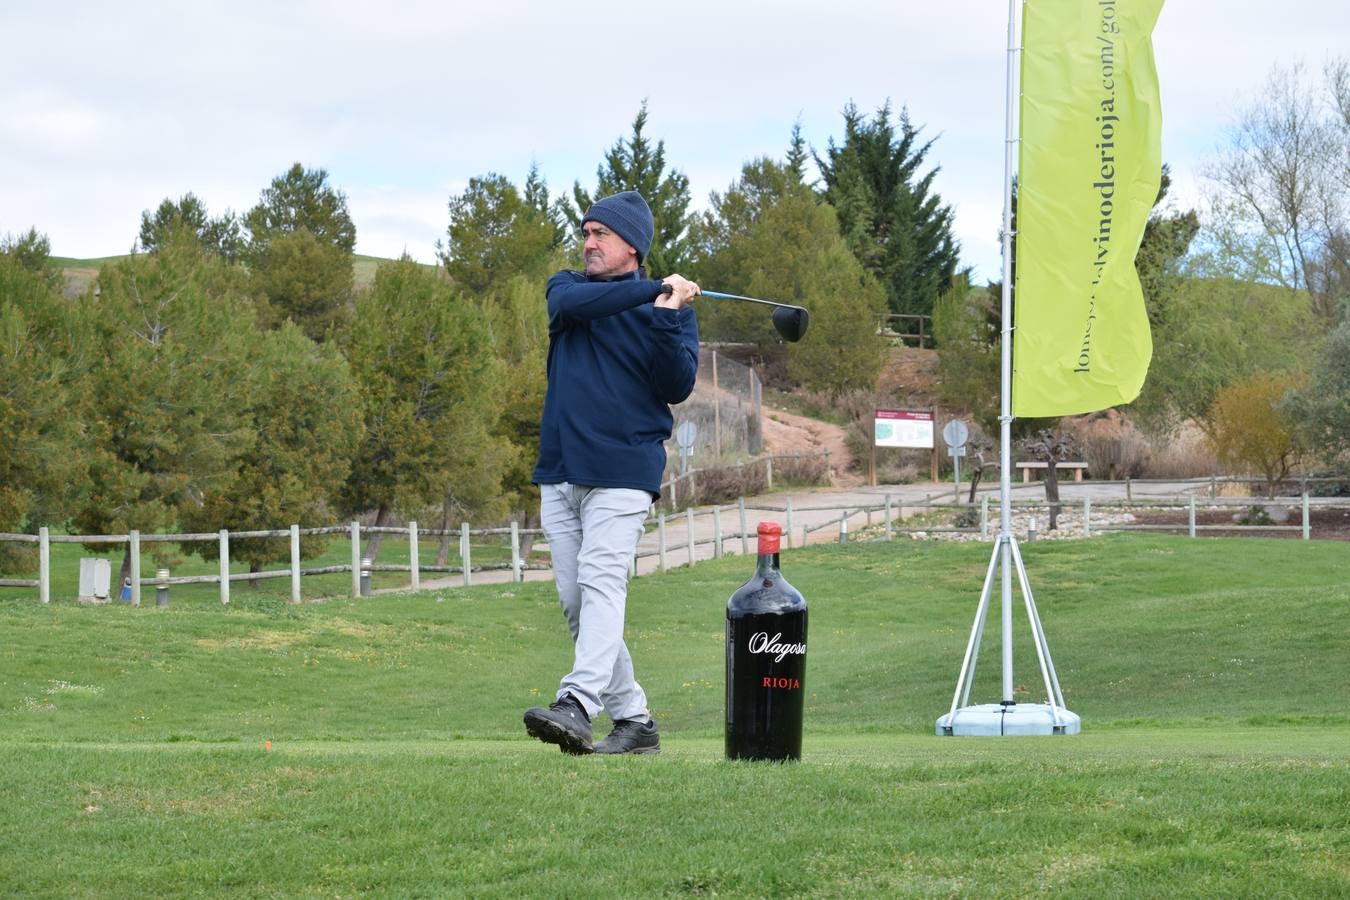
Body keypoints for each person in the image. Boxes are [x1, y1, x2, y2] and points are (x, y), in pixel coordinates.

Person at [524, 190, 700, 755]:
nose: (588, 242)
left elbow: (675, 385)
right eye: (586, 232)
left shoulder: (669, 313)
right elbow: (578, 308)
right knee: (579, 600)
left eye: (601, 233)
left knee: (601, 583)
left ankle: (576, 704)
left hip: (623, 469)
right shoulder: (566, 288)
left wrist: (668, 316)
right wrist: (655, 288)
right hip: (561, 470)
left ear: (633, 246)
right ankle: (636, 721)